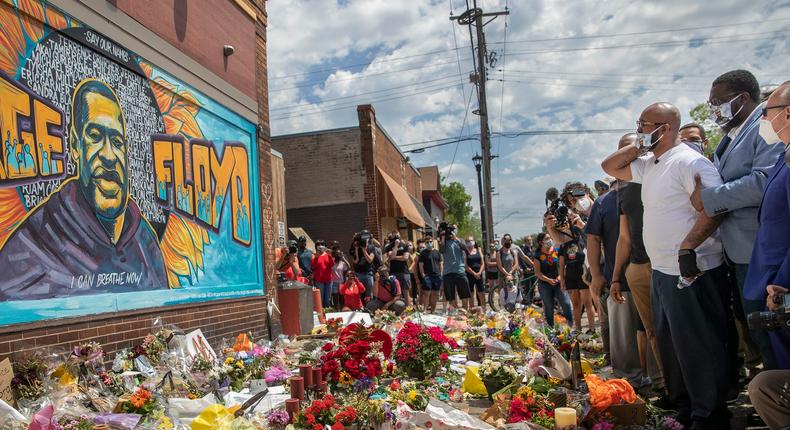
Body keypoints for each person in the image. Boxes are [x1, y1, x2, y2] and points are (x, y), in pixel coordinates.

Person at [602, 102, 730, 428]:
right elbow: (610, 166)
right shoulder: (652, 163)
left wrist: (688, 246)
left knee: (697, 346)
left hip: (691, 269)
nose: (640, 129)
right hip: (661, 270)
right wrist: (639, 142)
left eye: (644, 124)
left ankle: (709, 415)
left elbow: (714, 208)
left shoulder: (689, 161)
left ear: (666, 127)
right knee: (672, 347)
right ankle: (685, 407)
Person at [0, 79, 167, 299]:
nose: (109, 155)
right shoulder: (32, 245)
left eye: (117, 141)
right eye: (95, 137)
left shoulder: (145, 240)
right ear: (75, 147)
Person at [690, 70, 785, 372]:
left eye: (717, 102)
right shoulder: (732, 136)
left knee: (770, 330)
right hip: (738, 251)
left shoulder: (765, 127)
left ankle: (778, 400)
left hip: (760, 249)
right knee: (753, 327)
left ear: (742, 98)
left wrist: (709, 198)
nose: (714, 109)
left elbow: (762, 182)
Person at [610, 134, 667, 401]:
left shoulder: (660, 169)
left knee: (673, 327)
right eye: (623, 149)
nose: (629, 153)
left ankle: (685, 386)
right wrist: (616, 277)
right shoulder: (623, 186)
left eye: (633, 146)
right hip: (638, 265)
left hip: (665, 262)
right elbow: (624, 236)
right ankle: (664, 385)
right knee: (652, 330)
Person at [587, 136, 642, 383]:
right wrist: (598, 275)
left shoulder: (652, 183)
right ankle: (627, 382)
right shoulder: (606, 201)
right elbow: (594, 239)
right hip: (619, 277)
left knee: (650, 332)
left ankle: (656, 379)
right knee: (623, 338)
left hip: (656, 270)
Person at [743, 81, 790, 369]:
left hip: (780, 285)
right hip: (770, 280)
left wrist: (783, 283)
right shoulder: (783, 157)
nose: (763, 121)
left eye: (766, 112)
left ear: (787, 114)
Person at [531, 233, 573, 326]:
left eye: (550, 238)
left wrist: (560, 277)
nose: (550, 240)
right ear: (540, 242)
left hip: (559, 282)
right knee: (549, 307)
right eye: (547, 238)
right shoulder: (537, 255)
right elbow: (538, 273)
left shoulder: (557, 251)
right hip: (545, 284)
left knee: (566, 304)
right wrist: (549, 280)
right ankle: (551, 329)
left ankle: (571, 327)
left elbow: (564, 265)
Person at [497, 233, 532, 311]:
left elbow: (517, 262)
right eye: (505, 239)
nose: (507, 241)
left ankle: (515, 312)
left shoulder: (514, 250)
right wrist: (507, 274)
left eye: (509, 239)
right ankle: (504, 311)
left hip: (513, 275)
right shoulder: (499, 252)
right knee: (504, 294)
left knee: (514, 293)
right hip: (503, 276)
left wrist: (511, 272)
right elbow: (499, 266)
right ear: (503, 241)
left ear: (511, 240)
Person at [439, 224, 471, 310]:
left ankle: (466, 310)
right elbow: (441, 250)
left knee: (464, 293)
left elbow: (465, 249)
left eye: (453, 229)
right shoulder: (444, 242)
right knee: (450, 296)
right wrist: (442, 237)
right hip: (448, 272)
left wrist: (455, 238)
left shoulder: (460, 240)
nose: (451, 231)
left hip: (459, 270)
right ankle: (456, 311)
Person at [385, 232, 412, 306]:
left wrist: (395, 257)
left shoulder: (405, 245)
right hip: (393, 272)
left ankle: (408, 310)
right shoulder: (389, 246)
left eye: (398, 235)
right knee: (395, 292)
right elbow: (390, 256)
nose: (397, 237)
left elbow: (405, 258)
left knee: (406, 292)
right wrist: (396, 246)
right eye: (395, 236)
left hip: (404, 272)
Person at [419, 234, 443, 313]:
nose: (429, 243)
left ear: (432, 242)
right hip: (428, 276)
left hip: (436, 276)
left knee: (435, 294)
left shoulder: (437, 252)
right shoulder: (423, 253)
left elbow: (441, 263)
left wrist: (441, 273)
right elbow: (421, 265)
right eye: (427, 242)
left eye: (430, 241)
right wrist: (423, 275)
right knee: (427, 294)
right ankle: (425, 310)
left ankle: (433, 311)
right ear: (425, 243)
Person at [350, 231, 375, 300]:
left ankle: (369, 308)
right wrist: (356, 249)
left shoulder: (371, 247)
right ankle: (359, 308)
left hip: (368, 273)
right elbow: (355, 261)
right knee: (358, 294)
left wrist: (364, 249)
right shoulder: (354, 247)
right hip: (358, 273)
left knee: (369, 294)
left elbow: (370, 260)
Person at [464, 237, 486, 310]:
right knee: (471, 293)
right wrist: (474, 273)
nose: (470, 242)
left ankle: (484, 309)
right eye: (468, 241)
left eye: (471, 240)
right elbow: (466, 265)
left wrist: (479, 272)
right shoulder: (465, 252)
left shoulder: (478, 250)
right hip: (469, 274)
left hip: (479, 273)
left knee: (481, 293)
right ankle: (472, 310)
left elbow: (482, 263)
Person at [312, 240, 335, 308]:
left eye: (322, 244)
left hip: (328, 280)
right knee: (320, 298)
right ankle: (321, 314)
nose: (320, 246)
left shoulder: (328, 254)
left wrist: (330, 255)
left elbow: (332, 264)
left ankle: (327, 312)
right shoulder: (315, 255)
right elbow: (313, 266)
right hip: (319, 280)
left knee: (328, 298)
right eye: (318, 245)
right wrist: (316, 257)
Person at [330, 246, 349, 310]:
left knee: (342, 299)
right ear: (334, 254)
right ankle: (336, 311)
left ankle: (342, 311)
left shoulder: (342, 263)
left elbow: (348, 266)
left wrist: (343, 258)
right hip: (334, 283)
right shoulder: (332, 262)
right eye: (336, 253)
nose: (338, 255)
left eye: (339, 254)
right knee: (335, 299)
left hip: (341, 283)